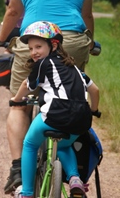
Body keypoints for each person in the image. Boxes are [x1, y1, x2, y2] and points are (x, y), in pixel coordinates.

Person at [0, 0, 96, 195]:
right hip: (73, 40)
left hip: (35, 39)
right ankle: (72, 169)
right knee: (71, 95)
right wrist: (90, 43)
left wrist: (3, 38)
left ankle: (17, 170)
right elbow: (86, 13)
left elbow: (14, 11)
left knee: (19, 106)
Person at [11, 21, 100, 198]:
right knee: (63, 145)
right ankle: (75, 179)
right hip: (81, 119)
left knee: (29, 144)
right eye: (30, 48)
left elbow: (26, 85)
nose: (34, 52)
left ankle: (27, 193)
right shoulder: (74, 67)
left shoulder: (43, 64)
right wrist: (94, 111)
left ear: (53, 45)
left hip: (55, 113)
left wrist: (16, 100)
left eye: (38, 46)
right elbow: (95, 90)